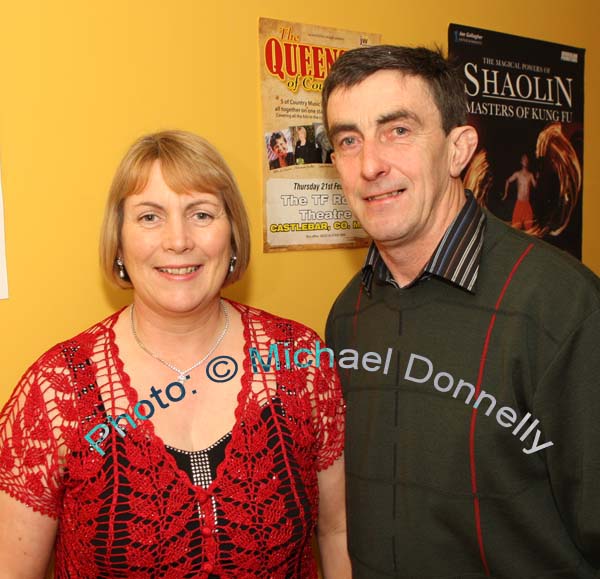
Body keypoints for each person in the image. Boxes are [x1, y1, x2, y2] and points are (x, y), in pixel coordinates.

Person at [0, 131, 350, 578]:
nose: (179, 240)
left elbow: (337, 533)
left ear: (233, 235)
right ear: (120, 242)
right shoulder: (58, 390)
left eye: (201, 213)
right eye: (150, 217)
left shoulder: (300, 363)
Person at [322, 45, 600, 578]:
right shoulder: (348, 314)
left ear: (458, 150)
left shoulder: (561, 307)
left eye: (398, 130)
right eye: (348, 140)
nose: (371, 164)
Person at [502, 153, 537, 229]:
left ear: (527, 162)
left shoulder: (530, 175)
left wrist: (537, 178)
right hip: (519, 203)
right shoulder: (517, 174)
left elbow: (535, 186)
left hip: (527, 204)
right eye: (523, 159)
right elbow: (508, 181)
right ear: (521, 162)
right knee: (515, 227)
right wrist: (505, 194)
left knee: (529, 228)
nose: (525, 160)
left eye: (526, 159)